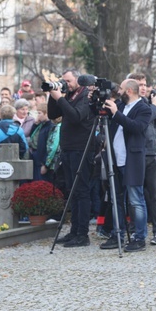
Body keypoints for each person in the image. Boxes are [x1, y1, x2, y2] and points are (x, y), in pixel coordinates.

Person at [101, 79, 152, 252]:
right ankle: (118, 234)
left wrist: (116, 114)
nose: (118, 91)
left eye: (121, 89)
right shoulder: (121, 106)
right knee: (116, 199)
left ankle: (139, 238)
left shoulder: (143, 108)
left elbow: (137, 127)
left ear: (129, 91)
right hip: (115, 159)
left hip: (132, 160)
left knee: (136, 200)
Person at [49, 69, 96, 248]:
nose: (66, 84)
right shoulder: (69, 95)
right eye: (64, 81)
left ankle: (82, 234)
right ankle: (74, 231)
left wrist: (60, 98)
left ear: (79, 80)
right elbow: (53, 115)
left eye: (68, 81)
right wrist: (53, 95)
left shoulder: (85, 96)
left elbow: (76, 117)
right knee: (72, 191)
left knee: (81, 191)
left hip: (82, 149)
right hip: (68, 149)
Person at [127, 72, 156, 246]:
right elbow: (145, 120)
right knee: (136, 194)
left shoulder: (149, 104)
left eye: (144, 84)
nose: (142, 87)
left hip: (153, 152)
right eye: (138, 84)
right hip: (136, 153)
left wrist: (155, 107)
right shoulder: (129, 105)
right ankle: (137, 229)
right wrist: (155, 106)